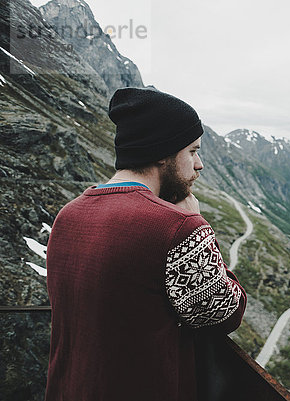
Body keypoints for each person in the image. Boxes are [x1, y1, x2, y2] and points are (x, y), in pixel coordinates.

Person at [45, 87, 247, 401]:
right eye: (192, 151)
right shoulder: (179, 226)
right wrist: (198, 226)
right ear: (163, 152)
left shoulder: (68, 215)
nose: (200, 164)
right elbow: (225, 314)